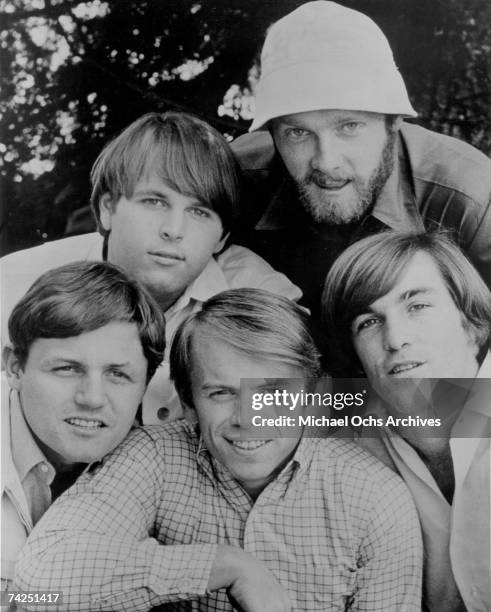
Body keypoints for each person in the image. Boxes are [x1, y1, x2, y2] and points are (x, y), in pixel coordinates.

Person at [16, 289, 422, 612]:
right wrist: (222, 566)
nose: (247, 418)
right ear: (189, 403)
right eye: (221, 392)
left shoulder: (373, 497)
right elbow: (41, 585)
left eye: (272, 392)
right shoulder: (153, 457)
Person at [1, 111, 301, 425]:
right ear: (108, 209)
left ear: (221, 238)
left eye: (199, 212)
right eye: (154, 202)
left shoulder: (258, 291)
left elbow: (310, 415)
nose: (174, 229)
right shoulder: (12, 285)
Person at [232, 1, 491, 321]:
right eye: (298, 133)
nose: (326, 162)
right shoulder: (234, 179)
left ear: (393, 122)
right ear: (272, 133)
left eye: (349, 127)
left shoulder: (471, 197)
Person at [321, 231, 491, 612]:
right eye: (367, 322)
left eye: (417, 306)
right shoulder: (345, 451)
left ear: (472, 325)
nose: (395, 339)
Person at [1, 260, 165, 596]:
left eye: (118, 375)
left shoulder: (157, 457)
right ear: (14, 367)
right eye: (66, 369)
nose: (92, 398)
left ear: (145, 387)